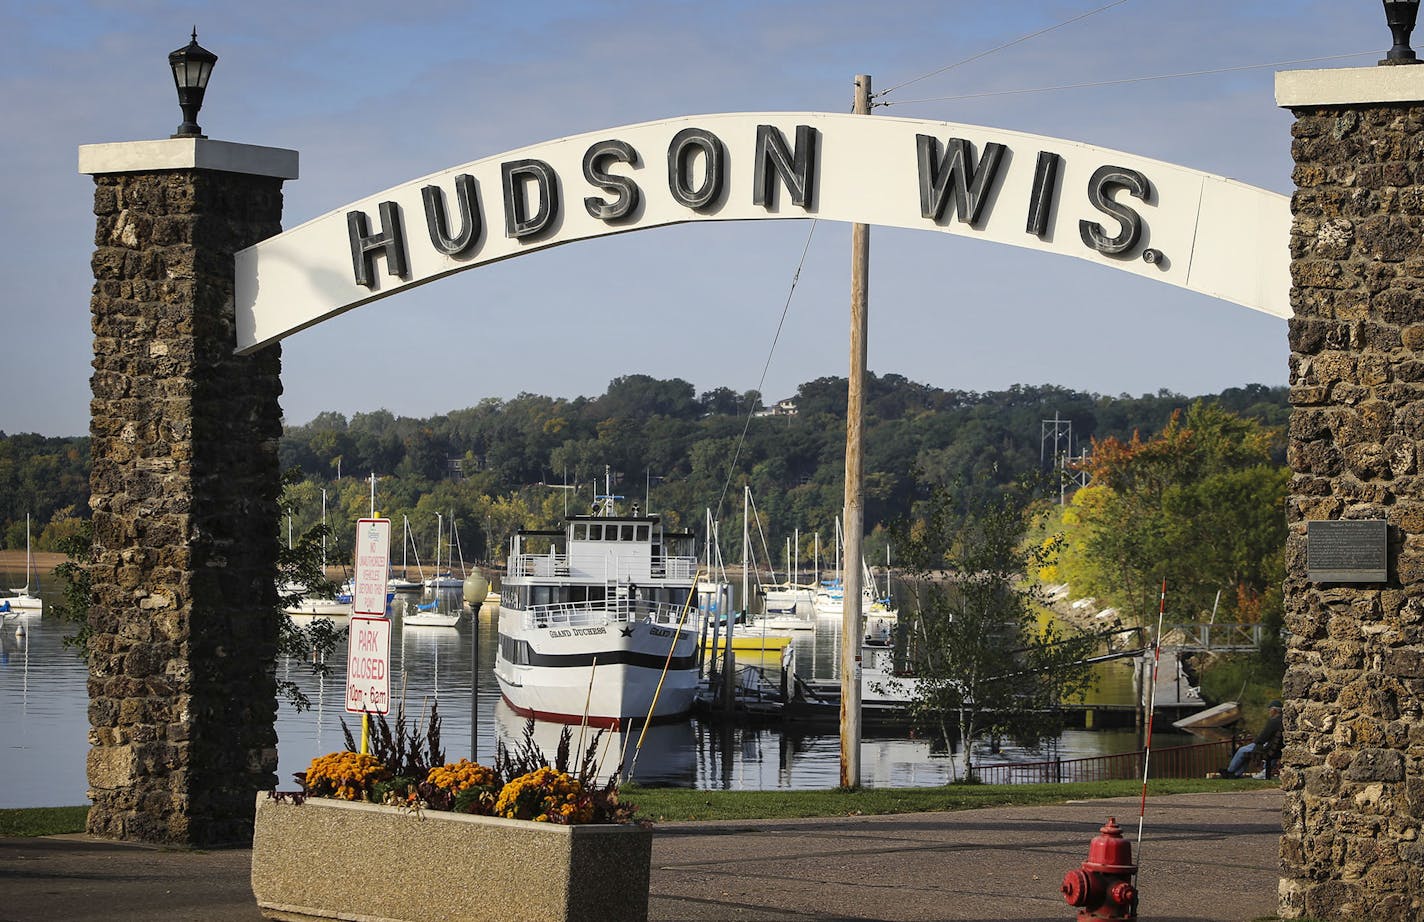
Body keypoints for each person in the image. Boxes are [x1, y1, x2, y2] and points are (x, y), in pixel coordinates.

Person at [1224, 700, 1283, 778]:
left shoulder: (1273, 722)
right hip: (1274, 747)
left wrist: (1256, 742)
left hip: (1267, 747)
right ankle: (1236, 774)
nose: (1269, 712)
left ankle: (1230, 771)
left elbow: (1263, 737)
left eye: (1270, 710)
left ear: (1274, 710)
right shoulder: (1282, 720)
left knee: (1242, 751)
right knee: (1245, 750)